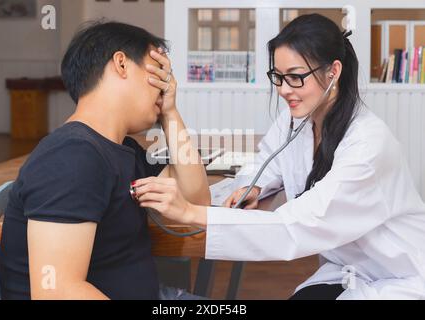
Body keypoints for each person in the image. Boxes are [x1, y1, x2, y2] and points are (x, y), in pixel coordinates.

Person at [134, 14, 425, 300]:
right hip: (346, 269)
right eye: (278, 76)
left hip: (398, 275)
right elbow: (268, 160)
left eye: (296, 77)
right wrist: (256, 186)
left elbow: (294, 227)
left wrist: (188, 212)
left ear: (333, 72)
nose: (284, 89)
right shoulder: (297, 120)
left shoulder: (367, 145)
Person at [0, 21, 210, 300]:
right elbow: (56, 291)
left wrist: (169, 111)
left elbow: (196, 201)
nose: (165, 86)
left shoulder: (121, 149)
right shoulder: (72, 156)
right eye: (158, 71)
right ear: (121, 64)